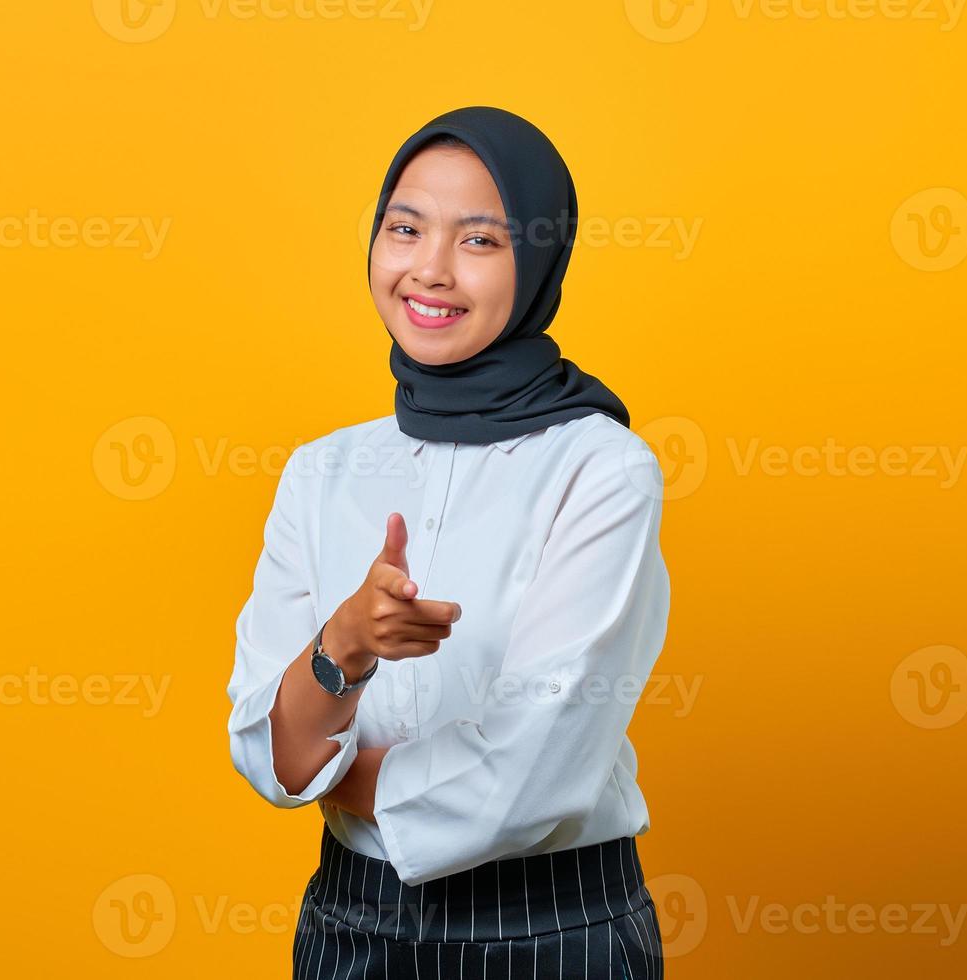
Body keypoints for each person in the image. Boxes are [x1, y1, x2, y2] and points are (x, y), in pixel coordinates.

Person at [226, 105, 671, 979]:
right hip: (348, 923)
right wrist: (343, 648)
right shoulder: (321, 471)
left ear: (538, 262)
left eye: (479, 241)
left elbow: (531, 777)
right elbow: (263, 752)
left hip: (550, 929)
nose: (427, 270)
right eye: (404, 228)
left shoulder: (601, 470)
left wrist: (341, 775)